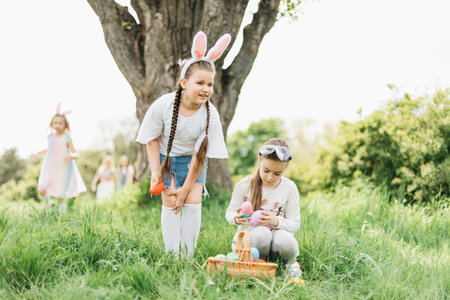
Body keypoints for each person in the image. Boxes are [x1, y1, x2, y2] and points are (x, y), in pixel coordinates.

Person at [136, 31, 231, 256]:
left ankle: (187, 255)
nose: (206, 88)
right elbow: (152, 139)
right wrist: (156, 174)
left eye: (210, 84)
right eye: (200, 83)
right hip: (164, 158)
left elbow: (200, 156)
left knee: (192, 201)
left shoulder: (210, 115)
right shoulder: (164, 105)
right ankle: (172, 255)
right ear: (184, 82)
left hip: (193, 160)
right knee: (170, 202)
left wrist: (187, 187)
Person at [225, 138, 303, 280]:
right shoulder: (245, 184)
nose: (270, 177)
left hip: (275, 245)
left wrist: (275, 221)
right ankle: (257, 264)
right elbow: (230, 213)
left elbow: (295, 223)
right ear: (259, 161)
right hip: (250, 244)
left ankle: (290, 263)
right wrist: (237, 218)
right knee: (261, 232)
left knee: (285, 239)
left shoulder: (289, 187)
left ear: (285, 169)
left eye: (277, 173)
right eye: (266, 170)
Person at [34, 103, 86, 214]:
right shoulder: (50, 137)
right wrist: (38, 153)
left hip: (63, 169)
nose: (58, 125)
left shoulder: (67, 137)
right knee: (41, 189)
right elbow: (50, 149)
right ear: (52, 124)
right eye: (55, 123)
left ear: (65, 125)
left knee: (60, 195)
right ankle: (49, 203)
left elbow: (76, 154)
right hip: (50, 167)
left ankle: (61, 217)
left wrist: (71, 156)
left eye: (60, 123)